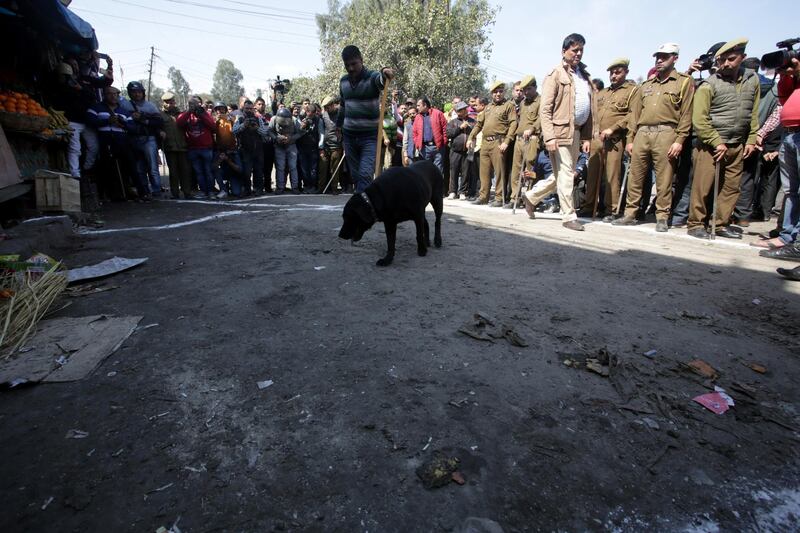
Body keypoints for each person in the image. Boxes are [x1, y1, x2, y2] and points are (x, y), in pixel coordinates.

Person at [613, 43, 694, 232]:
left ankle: (662, 216)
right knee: (635, 175)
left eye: (664, 57)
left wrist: (679, 140)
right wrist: (631, 139)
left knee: (664, 178)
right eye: (657, 56)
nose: (659, 60)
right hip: (642, 132)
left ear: (675, 58)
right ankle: (630, 213)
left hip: (667, 132)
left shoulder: (683, 82)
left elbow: (686, 114)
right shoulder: (645, 85)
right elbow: (634, 115)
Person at [687, 38, 760, 240]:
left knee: (731, 187)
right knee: (703, 186)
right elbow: (700, 120)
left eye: (731, 59)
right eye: (722, 60)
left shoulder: (752, 80)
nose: (725, 64)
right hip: (710, 146)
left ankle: (720, 223)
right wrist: (715, 140)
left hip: (737, 144)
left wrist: (752, 138)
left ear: (742, 58)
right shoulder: (709, 84)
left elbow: (752, 113)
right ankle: (695, 223)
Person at [527, 33, 593, 231]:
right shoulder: (555, 74)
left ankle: (531, 197)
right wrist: (549, 136)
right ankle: (568, 216)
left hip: (577, 132)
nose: (578, 53)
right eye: (574, 50)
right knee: (566, 173)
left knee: (561, 175)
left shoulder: (584, 76)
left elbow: (590, 109)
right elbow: (545, 109)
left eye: (581, 50)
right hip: (559, 132)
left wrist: (587, 136)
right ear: (564, 51)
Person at [753, 52, 800, 272]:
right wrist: (788, 76)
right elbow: (784, 99)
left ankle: (797, 242)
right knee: (792, 191)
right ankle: (788, 237)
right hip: (790, 134)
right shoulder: (791, 79)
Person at [583, 58, 638, 221]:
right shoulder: (603, 93)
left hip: (614, 140)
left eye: (618, 72)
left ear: (626, 72)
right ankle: (589, 206)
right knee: (592, 174)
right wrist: (587, 139)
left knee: (612, 176)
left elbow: (632, 115)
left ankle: (611, 209)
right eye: (611, 73)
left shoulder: (632, 91)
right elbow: (593, 115)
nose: (614, 76)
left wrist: (613, 128)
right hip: (596, 139)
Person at [337, 45, 394, 193]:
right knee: (356, 176)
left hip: (369, 136)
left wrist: (385, 72)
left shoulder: (372, 77)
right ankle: (365, 205)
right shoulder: (343, 81)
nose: (350, 68)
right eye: (347, 65)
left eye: (354, 63)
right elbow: (343, 105)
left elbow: (381, 81)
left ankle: (362, 208)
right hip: (349, 136)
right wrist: (338, 126)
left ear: (361, 60)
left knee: (365, 174)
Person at [86, 86, 144, 201]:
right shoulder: (96, 108)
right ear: (104, 95)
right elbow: (90, 121)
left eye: (115, 94)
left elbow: (133, 128)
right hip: (105, 141)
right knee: (107, 168)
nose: (113, 96)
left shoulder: (124, 112)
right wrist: (107, 121)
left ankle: (140, 193)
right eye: (109, 94)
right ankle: (110, 194)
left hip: (122, 141)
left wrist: (124, 123)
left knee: (130, 167)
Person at [467, 81, 516, 206]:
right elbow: (479, 124)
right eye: (495, 92)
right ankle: (484, 196)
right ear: (491, 94)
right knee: (484, 172)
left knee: (499, 172)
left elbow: (513, 124)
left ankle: (499, 198)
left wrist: (507, 141)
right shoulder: (488, 107)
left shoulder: (508, 106)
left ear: (504, 92)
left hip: (498, 141)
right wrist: (471, 137)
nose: (498, 94)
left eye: (500, 91)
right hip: (485, 142)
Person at [122, 81, 164, 196]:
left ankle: (156, 190)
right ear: (130, 93)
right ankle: (144, 190)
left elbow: (159, 121)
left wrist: (143, 118)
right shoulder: (125, 105)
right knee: (139, 168)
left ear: (143, 93)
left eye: (139, 92)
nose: (137, 94)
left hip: (148, 138)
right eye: (134, 92)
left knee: (153, 167)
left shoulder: (150, 106)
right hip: (133, 139)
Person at [506, 75, 541, 209]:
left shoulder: (540, 102)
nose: (526, 92)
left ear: (535, 88)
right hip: (519, 140)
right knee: (516, 171)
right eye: (524, 90)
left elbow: (541, 119)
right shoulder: (523, 102)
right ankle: (515, 197)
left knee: (530, 170)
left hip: (532, 139)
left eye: (529, 89)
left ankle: (530, 199)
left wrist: (532, 129)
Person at [177, 96, 217, 199]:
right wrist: (189, 111)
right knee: (199, 173)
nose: (194, 107)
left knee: (208, 171)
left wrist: (202, 114)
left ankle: (211, 192)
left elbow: (213, 126)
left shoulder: (205, 114)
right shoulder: (185, 115)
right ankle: (203, 191)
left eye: (196, 104)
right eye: (191, 104)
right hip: (193, 149)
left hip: (206, 148)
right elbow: (179, 123)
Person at [159, 92, 192, 199]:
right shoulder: (160, 115)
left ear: (174, 102)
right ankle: (175, 193)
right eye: (167, 102)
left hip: (182, 146)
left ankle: (187, 192)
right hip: (169, 147)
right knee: (173, 172)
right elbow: (156, 127)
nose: (169, 104)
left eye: (171, 102)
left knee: (185, 171)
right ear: (163, 103)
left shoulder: (181, 114)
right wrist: (160, 132)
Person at [233, 99, 270, 195]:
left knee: (258, 171)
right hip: (245, 150)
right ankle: (247, 190)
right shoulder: (240, 119)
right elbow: (234, 131)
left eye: (250, 108)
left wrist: (256, 128)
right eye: (247, 108)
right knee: (246, 172)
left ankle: (258, 189)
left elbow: (265, 133)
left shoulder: (258, 119)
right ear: (243, 108)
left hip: (258, 150)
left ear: (253, 108)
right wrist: (243, 126)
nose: (248, 110)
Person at [268, 108, 303, 193]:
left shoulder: (295, 121)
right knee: (280, 167)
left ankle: (295, 187)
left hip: (291, 146)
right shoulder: (273, 119)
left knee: (293, 167)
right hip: (279, 146)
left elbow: (301, 132)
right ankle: (280, 187)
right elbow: (270, 131)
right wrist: (276, 138)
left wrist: (291, 138)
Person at [412, 97, 448, 173]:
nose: (417, 107)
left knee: (438, 171)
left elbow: (445, 129)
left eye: (418, 105)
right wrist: (417, 144)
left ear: (425, 105)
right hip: (424, 149)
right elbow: (414, 133)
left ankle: (437, 185)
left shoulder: (438, 113)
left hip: (438, 148)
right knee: (426, 172)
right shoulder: (417, 117)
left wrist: (443, 142)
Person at [446, 101, 473, 199]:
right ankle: (452, 191)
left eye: (466, 108)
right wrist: (460, 128)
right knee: (454, 171)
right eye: (462, 109)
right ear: (458, 112)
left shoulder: (472, 121)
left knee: (465, 172)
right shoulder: (452, 122)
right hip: (455, 150)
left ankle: (462, 191)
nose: (465, 110)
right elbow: (449, 134)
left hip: (467, 151)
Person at [213, 102, 238, 198]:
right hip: (220, 150)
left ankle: (238, 186)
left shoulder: (230, 119)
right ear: (215, 111)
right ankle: (223, 189)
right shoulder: (214, 120)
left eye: (222, 109)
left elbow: (236, 125)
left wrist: (229, 118)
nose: (220, 111)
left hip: (232, 150)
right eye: (218, 109)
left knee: (236, 192)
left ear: (225, 110)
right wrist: (216, 121)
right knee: (216, 168)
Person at [319, 96, 344, 194]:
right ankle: (321, 189)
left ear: (333, 105)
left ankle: (334, 189)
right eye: (324, 107)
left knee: (334, 169)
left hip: (336, 146)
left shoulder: (341, 114)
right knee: (322, 168)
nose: (325, 109)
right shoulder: (324, 114)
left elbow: (345, 130)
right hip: (325, 146)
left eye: (327, 107)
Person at [297, 103, 323, 193]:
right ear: (306, 112)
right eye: (309, 113)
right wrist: (302, 127)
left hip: (313, 148)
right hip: (302, 148)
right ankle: (307, 186)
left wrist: (321, 147)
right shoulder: (301, 118)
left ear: (315, 112)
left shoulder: (318, 120)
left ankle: (313, 186)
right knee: (304, 169)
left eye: (313, 114)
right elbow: (298, 132)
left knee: (313, 169)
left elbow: (321, 134)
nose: (310, 115)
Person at [255, 96, 275, 192]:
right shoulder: (254, 117)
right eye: (259, 104)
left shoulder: (269, 116)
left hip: (269, 145)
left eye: (263, 104)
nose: (261, 106)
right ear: (255, 106)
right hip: (259, 146)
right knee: (259, 167)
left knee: (269, 167)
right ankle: (258, 187)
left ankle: (268, 186)